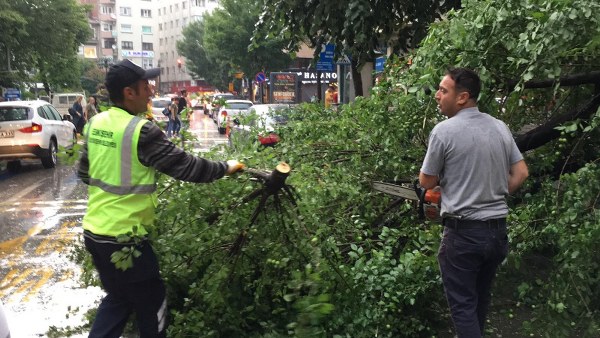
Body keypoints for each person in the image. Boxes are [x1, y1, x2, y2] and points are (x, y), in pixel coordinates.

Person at [77, 59, 244, 338]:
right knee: (152, 303)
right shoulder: (140, 130)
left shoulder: (95, 124)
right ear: (129, 93)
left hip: (95, 233)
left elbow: (84, 173)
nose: (151, 92)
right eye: (146, 87)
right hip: (126, 239)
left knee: (118, 298)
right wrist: (225, 168)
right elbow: (188, 167)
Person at [419, 68, 529, 338]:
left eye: (444, 90)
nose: (437, 95)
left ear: (462, 97)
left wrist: (448, 191)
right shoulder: (499, 126)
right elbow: (522, 172)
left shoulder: (443, 131)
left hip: (464, 234)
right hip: (497, 233)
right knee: (479, 301)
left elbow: (426, 181)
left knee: (463, 308)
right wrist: (493, 193)